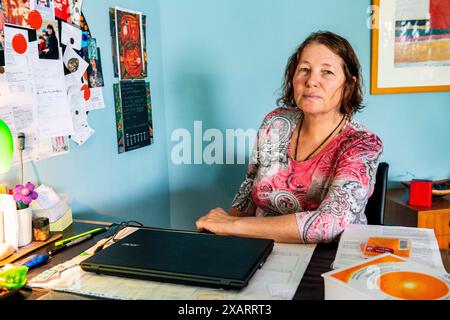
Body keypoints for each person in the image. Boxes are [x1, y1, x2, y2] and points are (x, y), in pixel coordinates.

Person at [196, 31, 383, 244]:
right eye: (304, 69)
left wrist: (232, 226)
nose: (312, 80)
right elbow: (249, 187)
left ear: (348, 84)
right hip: (261, 251)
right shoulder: (276, 123)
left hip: (328, 260)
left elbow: (328, 224)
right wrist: (226, 239)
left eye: (327, 72)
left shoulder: (362, 144)